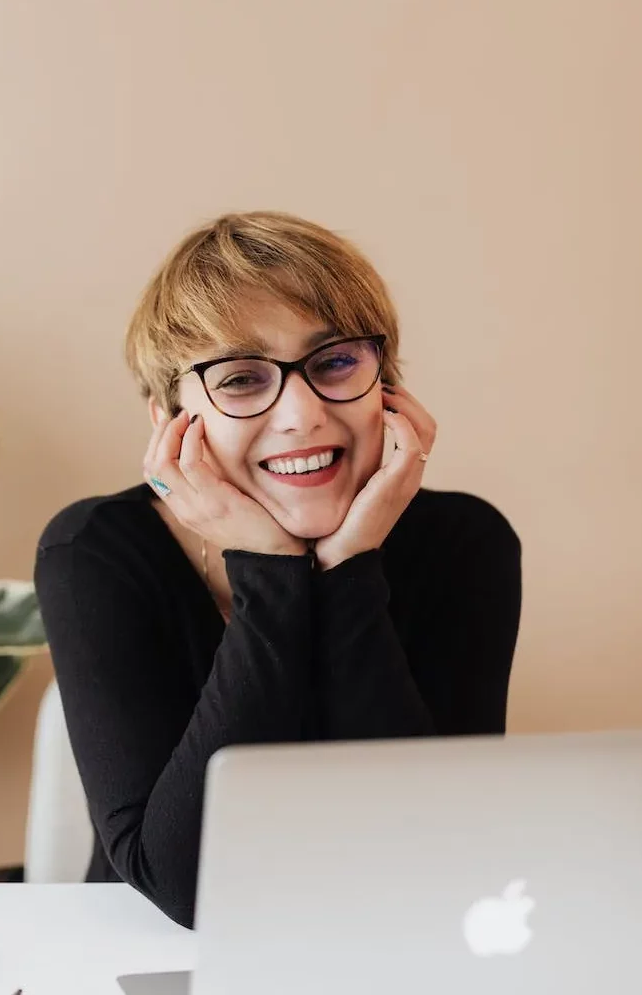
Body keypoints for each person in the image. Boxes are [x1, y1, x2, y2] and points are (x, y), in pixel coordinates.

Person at [34, 211, 522, 929]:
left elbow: (436, 851)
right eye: (239, 379)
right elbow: (185, 887)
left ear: (386, 385)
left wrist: (348, 568)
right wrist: (269, 570)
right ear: (171, 418)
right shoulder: (96, 551)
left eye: (334, 363)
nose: (301, 414)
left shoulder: (465, 542)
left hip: (390, 946)